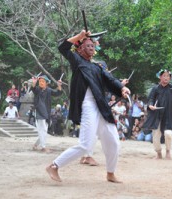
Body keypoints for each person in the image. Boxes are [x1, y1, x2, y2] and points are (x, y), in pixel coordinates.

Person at [46, 30, 130, 183]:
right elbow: (63, 48)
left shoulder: (98, 66)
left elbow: (110, 80)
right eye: (88, 45)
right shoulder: (77, 61)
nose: (92, 47)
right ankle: (54, 165)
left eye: (93, 45)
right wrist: (79, 36)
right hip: (87, 105)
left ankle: (110, 173)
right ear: (79, 49)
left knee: (114, 142)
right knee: (85, 145)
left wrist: (121, 88)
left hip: (101, 106)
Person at [143, 69, 172, 159]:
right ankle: (158, 153)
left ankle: (168, 151)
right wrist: (151, 105)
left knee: (168, 134)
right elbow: (151, 99)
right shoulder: (155, 88)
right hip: (157, 115)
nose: (166, 77)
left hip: (168, 115)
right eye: (164, 76)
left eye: (168, 76)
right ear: (160, 77)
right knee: (156, 135)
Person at [31, 75, 62, 152]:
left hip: (46, 112)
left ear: (47, 83)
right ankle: (43, 147)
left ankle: (36, 145)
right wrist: (34, 83)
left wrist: (59, 85)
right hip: (39, 111)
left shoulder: (48, 90)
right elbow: (33, 89)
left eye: (43, 81)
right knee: (43, 129)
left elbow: (57, 93)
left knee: (44, 129)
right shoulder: (38, 89)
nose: (41, 83)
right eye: (40, 81)